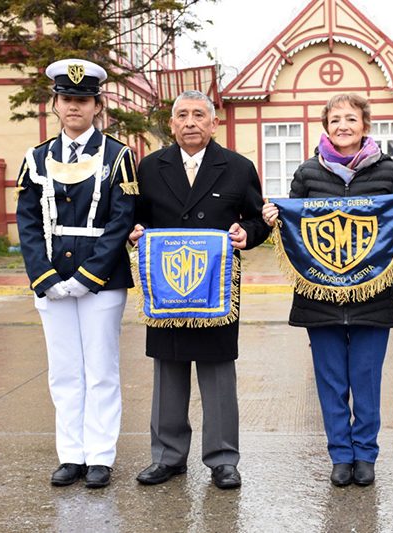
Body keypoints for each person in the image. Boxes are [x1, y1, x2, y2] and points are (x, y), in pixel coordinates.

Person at [262, 93, 393, 487]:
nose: (343, 126)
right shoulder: (307, 172)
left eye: (351, 118)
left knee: (366, 377)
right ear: (325, 126)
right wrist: (273, 218)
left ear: (365, 125)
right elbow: (294, 227)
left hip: (372, 293)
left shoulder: (388, 172)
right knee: (330, 379)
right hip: (320, 293)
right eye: (335, 120)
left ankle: (365, 454)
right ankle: (340, 454)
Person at [129, 90, 270, 490]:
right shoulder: (151, 167)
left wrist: (249, 233)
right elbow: (133, 219)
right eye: (181, 115)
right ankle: (168, 457)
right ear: (171, 125)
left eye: (198, 115)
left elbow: (259, 219)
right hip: (168, 285)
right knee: (168, 371)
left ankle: (223, 459)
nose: (190, 122)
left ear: (213, 122)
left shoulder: (238, 168)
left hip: (217, 286)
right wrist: (133, 233)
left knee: (218, 372)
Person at [16, 58, 138, 489]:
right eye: (67, 99)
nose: (74, 107)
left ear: (96, 106)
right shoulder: (36, 157)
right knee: (64, 370)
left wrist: (89, 275)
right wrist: (44, 277)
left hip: (101, 280)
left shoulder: (119, 156)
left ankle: (100, 455)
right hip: (50, 277)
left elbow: (121, 220)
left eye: (83, 100)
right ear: (55, 104)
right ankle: (71, 455)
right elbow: (28, 222)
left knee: (101, 368)